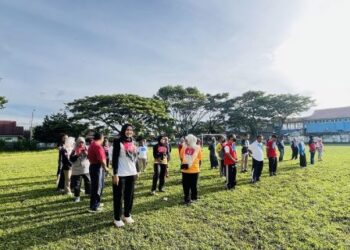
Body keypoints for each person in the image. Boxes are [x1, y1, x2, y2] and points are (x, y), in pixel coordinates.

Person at [112, 124, 138, 227]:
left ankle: (127, 215)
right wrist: (115, 174)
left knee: (130, 195)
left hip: (131, 172)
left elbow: (135, 157)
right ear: (123, 131)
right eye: (127, 130)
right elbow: (114, 158)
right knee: (118, 196)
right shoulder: (118, 141)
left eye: (131, 130)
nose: (129, 132)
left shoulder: (133, 141)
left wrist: (137, 170)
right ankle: (117, 218)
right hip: (121, 173)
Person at [87, 132, 108, 213]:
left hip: (93, 166)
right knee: (97, 187)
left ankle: (97, 203)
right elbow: (102, 159)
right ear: (102, 138)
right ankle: (94, 206)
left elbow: (88, 156)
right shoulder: (98, 146)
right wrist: (105, 167)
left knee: (98, 186)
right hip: (98, 167)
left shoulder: (92, 144)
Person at [180, 134, 202, 205]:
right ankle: (188, 198)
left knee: (192, 185)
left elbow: (200, 158)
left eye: (187, 140)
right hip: (187, 170)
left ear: (190, 140)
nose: (185, 141)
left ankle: (193, 198)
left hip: (192, 170)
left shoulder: (197, 148)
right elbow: (181, 156)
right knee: (188, 185)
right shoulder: (185, 147)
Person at [70, 137, 91, 202]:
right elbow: (71, 159)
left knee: (88, 182)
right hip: (77, 169)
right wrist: (77, 155)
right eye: (80, 142)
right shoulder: (74, 150)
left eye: (82, 142)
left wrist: (87, 154)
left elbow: (90, 157)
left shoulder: (87, 148)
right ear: (77, 143)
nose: (81, 144)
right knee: (77, 184)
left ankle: (89, 193)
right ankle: (77, 196)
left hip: (86, 169)